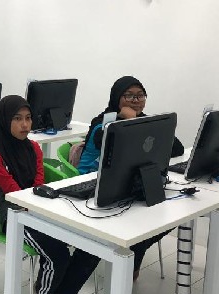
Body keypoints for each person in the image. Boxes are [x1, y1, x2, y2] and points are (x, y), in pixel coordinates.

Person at [0, 95, 100, 294]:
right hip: (14, 215)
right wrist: (38, 208)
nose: (25, 125)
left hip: (39, 207)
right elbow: (13, 192)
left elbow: (38, 183)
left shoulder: (34, 147)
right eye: (17, 119)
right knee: (58, 255)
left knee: (93, 246)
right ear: (4, 120)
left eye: (28, 118)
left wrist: (43, 208)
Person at [78, 75, 185, 281]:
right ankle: (129, 263)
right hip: (93, 183)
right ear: (117, 98)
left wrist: (138, 122)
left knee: (168, 217)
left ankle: (133, 259)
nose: (135, 100)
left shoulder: (142, 120)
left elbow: (177, 148)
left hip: (127, 183)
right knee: (140, 221)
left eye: (140, 95)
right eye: (128, 95)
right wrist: (128, 120)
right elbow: (112, 148)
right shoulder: (103, 123)